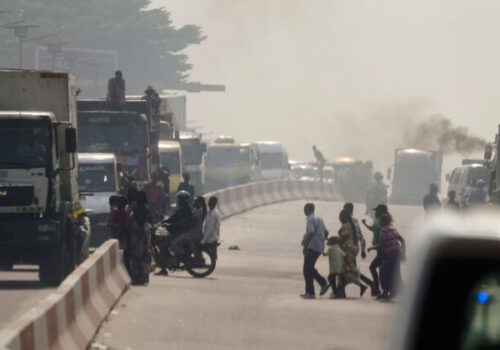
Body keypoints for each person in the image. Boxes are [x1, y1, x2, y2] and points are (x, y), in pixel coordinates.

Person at [156, 191, 194, 275]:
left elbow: (183, 223)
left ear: (184, 200)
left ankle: (164, 269)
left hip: (180, 232)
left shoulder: (186, 210)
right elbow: (174, 217)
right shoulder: (183, 209)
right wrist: (165, 220)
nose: (178, 201)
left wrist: (170, 225)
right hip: (178, 231)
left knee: (163, 247)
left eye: (180, 199)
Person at [337, 209, 368, 298]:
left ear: (345, 217)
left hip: (348, 250)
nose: (339, 217)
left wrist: (336, 240)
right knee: (345, 271)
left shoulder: (346, 225)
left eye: (341, 216)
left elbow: (345, 236)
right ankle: (361, 286)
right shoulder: (348, 225)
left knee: (341, 271)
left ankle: (342, 292)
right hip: (347, 250)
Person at [300, 203, 329, 299]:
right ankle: (318, 286)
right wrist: (321, 241)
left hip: (312, 247)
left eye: (305, 209)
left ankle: (312, 291)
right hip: (318, 247)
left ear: (308, 209)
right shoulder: (319, 218)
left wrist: (306, 246)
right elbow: (326, 232)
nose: (304, 210)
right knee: (309, 268)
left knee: (307, 269)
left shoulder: (310, 219)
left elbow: (311, 232)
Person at [361, 204, 389, 296]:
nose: (375, 212)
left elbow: (373, 229)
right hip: (381, 248)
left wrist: (365, 224)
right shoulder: (386, 219)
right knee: (382, 268)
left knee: (373, 267)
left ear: (381, 211)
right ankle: (382, 288)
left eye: (377, 210)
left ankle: (377, 287)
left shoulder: (379, 220)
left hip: (381, 248)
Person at [376, 214, 405, 300]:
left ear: (382, 222)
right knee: (393, 272)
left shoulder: (383, 230)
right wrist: (403, 253)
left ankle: (387, 292)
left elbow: (382, 245)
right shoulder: (393, 228)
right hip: (397, 252)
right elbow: (402, 240)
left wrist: (371, 248)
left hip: (390, 253)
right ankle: (390, 292)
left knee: (383, 271)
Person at [126, 190, 151, 285]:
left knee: (137, 256)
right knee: (143, 256)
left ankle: (138, 278)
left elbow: (139, 221)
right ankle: (143, 277)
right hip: (143, 234)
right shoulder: (145, 207)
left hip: (139, 235)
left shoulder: (141, 208)